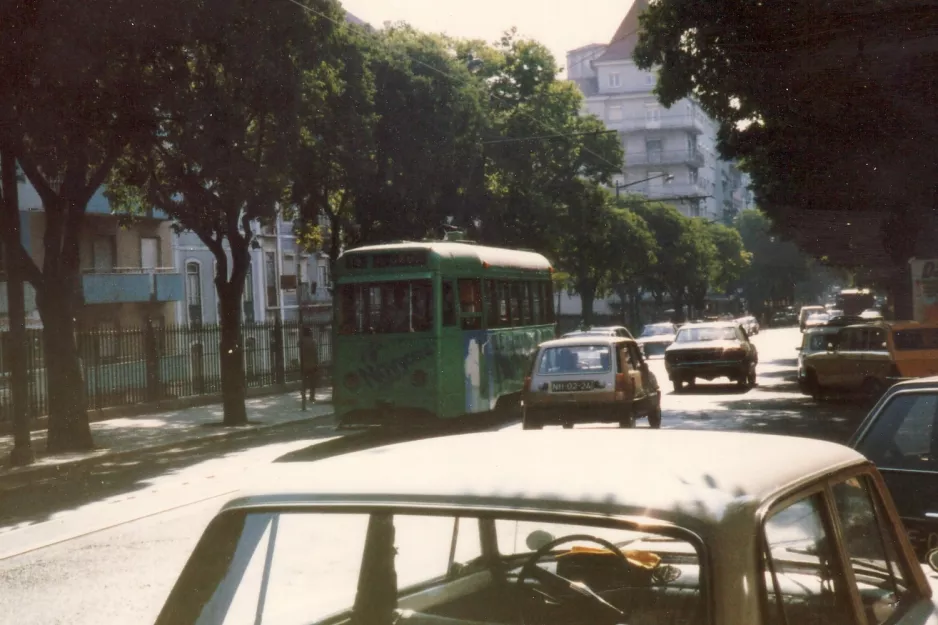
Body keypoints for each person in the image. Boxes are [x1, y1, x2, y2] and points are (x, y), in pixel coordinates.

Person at [300, 326, 319, 403]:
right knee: (312, 382)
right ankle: (312, 396)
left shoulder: (302, 341)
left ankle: (303, 395)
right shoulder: (313, 341)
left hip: (304, 364)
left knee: (304, 381)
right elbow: (315, 354)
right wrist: (316, 363)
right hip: (312, 364)